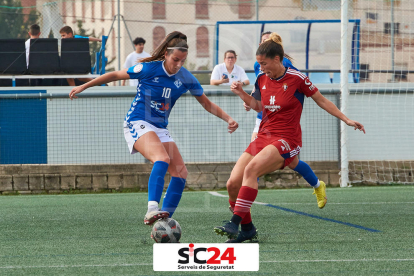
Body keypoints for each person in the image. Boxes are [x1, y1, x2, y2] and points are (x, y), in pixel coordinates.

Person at [69, 31, 239, 226]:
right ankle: (152, 209)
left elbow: (206, 103)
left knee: (181, 173)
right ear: (166, 54)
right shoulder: (148, 68)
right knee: (162, 158)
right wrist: (84, 86)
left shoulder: (186, 77)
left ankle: (163, 221)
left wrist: (228, 118)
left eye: (182, 61)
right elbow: (115, 74)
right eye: (175, 59)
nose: (178, 65)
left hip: (159, 127)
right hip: (137, 121)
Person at [214, 32, 365, 243]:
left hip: (286, 138)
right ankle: (248, 229)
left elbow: (322, 101)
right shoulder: (261, 78)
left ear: (277, 59)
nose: (261, 67)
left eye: (264, 63)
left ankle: (234, 223)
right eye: (259, 64)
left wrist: (346, 119)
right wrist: (241, 93)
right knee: (232, 184)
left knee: (251, 170)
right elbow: (259, 106)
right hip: (264, 135)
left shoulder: (296, 78)